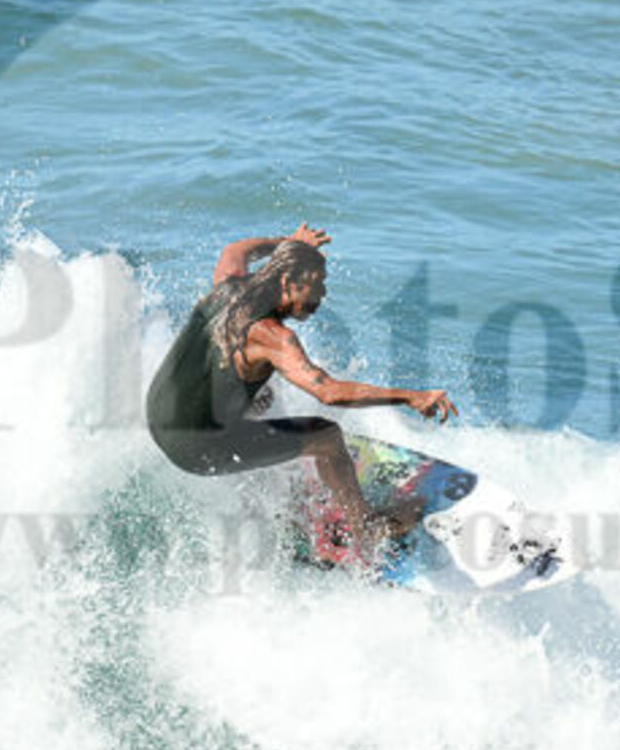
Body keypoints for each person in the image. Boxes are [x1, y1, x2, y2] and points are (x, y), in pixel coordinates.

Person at [146, 223, 458, 558]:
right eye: (316, 284)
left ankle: (270, 470)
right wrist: (411, 396)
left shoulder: (228, 284)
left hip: (159, 416)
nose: (321, 295)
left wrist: (287, 244)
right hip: (196, 449)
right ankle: (365, 527)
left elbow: (236, 249)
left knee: (262, 393)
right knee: (327, 436)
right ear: (287, 282)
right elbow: (329, 392)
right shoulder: (272, 337)